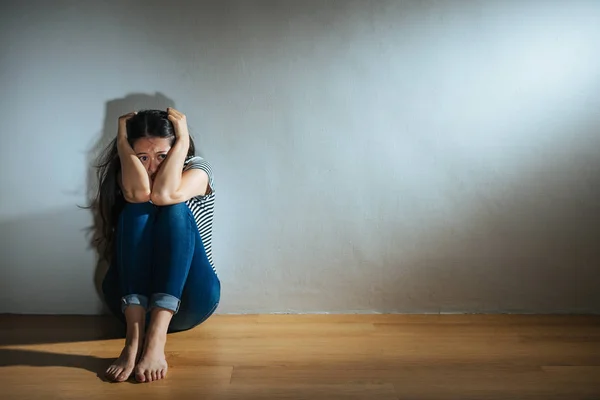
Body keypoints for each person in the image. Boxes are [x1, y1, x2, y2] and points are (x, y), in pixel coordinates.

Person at [91, 108, 220, 383]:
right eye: (143, 157)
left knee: (174, 209)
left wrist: (182, 139)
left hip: (189, 301)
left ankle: (157, 340)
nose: (152, 167)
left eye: (163, 155)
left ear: (177, 151)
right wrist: (123, 144)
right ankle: (133, 341)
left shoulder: (197, 168)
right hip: (129, 305)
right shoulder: (128, 172)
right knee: (136, 208)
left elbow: (165, 194)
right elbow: (140, 194)